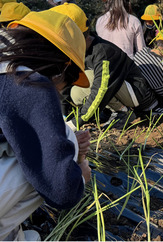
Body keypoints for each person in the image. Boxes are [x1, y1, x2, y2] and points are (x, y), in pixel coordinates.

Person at [0, 10, 91, 239]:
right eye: (68, 81)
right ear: (63, 67)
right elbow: (62, 192)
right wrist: (80, 175)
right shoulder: (29, 84)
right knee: (55, 150)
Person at [50, 3, 162, 130]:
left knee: (89, 77)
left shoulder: (103, 52)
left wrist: (75, 124)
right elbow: (65, 83)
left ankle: (123, 112)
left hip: (134, 92)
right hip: (114, 88)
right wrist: (64, 116)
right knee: (76, 92)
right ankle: (108, 111)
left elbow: (101, 89)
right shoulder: (76, 51)